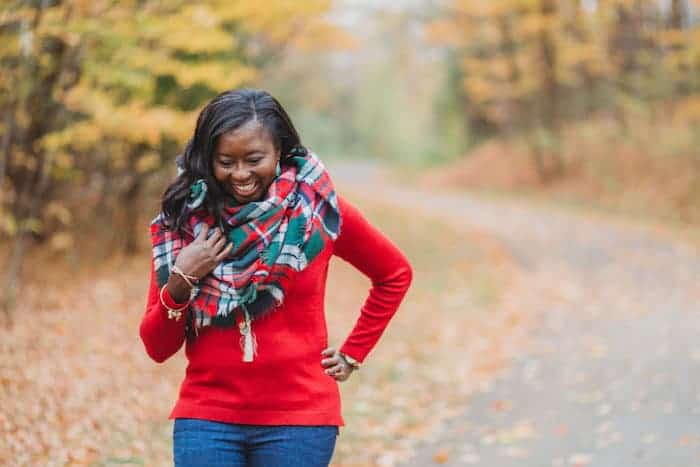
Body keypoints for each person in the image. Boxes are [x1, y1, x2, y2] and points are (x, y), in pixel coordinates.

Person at [139, 88, 413, 467]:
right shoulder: (185, 224)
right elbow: (157, 347)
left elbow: (394, 273)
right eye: (226, 161)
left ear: (280, 151)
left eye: (254, 159)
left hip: (300, 421)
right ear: (208, 158)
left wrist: (353, 353)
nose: (240, 174)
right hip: (207, 417)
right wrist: (182, 279)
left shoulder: (315, 213)